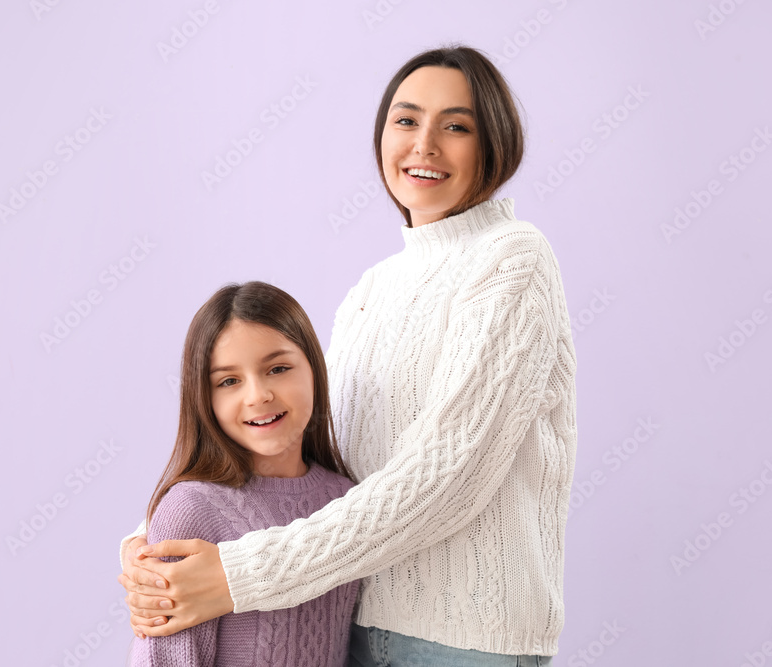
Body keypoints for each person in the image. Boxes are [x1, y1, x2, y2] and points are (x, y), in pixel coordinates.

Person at [119, 45, 577, 666]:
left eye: (457, 126)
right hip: (348, 625)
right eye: (406, 120)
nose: (424, 145)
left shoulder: (513, 260)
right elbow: (303, 448)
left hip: (465, 643)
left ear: (495, 143)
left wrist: (234, 576)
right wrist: (154, 547)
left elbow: (446, 482)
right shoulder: (372, 290)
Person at [124, 281, 359, 666]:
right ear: (205, 397)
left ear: (314, 369)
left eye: (278, 368)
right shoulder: (190, 511)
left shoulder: (347, 500)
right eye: (229, 381)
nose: (257, 395)